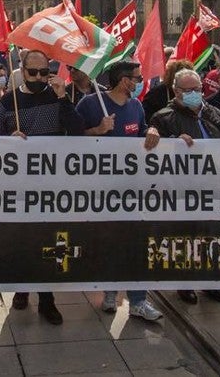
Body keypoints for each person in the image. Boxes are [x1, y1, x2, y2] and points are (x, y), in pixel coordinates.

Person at [0, 49, 83, 325]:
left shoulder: (57, 97)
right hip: (19, 185)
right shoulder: (9, 102)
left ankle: (47, 299)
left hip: (51, 184)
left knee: (47, 238)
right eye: (33, 72)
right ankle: (21, 288)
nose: (39, 77)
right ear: (22, 70)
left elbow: (78, 131)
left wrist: (61, 98)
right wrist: (10, 138)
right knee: (22, 237)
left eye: (44, 72)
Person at [75, 61, 164, 321]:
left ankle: (138, 300)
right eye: (136, 78)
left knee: (135, 242)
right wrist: (97, 130)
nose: (138, 82)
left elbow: (142, 130)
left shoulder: (136, 106)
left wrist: (152, 130)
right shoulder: (91, 104)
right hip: (100, 189)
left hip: (132, 188)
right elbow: (70, 140)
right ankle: (110, 291)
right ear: (124, 80)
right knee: (109, 242)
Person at [146, 68, 220, 305]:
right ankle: (184, 282)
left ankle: (212, 282)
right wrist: (173, 144)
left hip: (213, 183)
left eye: (197, 90)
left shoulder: (217, 114)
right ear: (175, 91)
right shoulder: (163, 118)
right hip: (182, 187)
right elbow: (156, 155)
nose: (194, 94)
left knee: (213, 234)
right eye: (187, 90)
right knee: (184, 234)